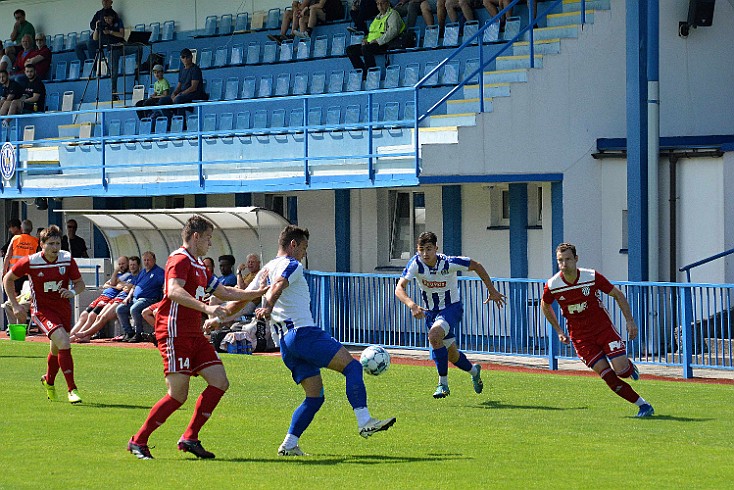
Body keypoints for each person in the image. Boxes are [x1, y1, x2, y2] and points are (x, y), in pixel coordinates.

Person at [127, 214, 269, 460]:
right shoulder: (179, 259)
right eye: (208, 238)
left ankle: (190, 438)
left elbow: (224, 291)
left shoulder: (200, 265)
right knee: (177, 395)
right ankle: (138, 441)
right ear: (196, 237)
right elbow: (173, 291)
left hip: (194, 333)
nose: (210, 244)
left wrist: (256, 292)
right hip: (174, 332)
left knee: (219, 381)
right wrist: (207, 309)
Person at [244, 225, 395, 456]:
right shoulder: (292, 265)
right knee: (352, 367)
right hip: (304, 334)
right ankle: (364, 420)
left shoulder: (266, 269)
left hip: (285, 344)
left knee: (314, 397)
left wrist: (218, 316)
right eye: (303, 247)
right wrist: (269, 306)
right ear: (293, 245)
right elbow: (278, 286)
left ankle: (289, 444)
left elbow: (243, 297)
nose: (304, 253)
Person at [540, 243, 654, 418]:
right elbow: (545, 305)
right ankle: (643, 405)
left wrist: (630, 321)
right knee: (608, 376)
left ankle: (629, 368)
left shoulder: (591, 276)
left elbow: (617, 294)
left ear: (576, 259)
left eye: (568, 259)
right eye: (560, 261)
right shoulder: (553, 284)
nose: (564, 264)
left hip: (603, 330)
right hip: (580, 338)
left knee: (622, 371)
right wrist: (558, 330)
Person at [395, 231, 506, 398]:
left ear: (436, 249)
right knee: (452, 355)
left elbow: (476, 265)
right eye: (421, 249)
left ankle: (443, 385)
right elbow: (399, 288)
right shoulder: (416, 264)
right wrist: (412, 305)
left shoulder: (448, 263)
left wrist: (492, 290)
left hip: (451, 309)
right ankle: (474, 371)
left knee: (434, 335)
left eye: (429, 249)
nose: (425, 253)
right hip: (431, 313)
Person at [3, 225, 86, 404]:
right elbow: (7, 279)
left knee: (56, 349)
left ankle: (48, 381)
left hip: (63, 310)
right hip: (42, 311)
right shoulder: (31, 261)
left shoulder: (66, 259)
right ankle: (72, 389)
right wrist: (16, 305)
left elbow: (80, 284)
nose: (55, 247)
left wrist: (72, 292)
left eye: (58, 243)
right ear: (41, 245)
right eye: (51, 244)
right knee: (64, 341)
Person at [78, 255, 140, 341]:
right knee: (99, 316)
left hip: (122, 300)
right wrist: (117, 275)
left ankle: (85, 334)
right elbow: (111, 283)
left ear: (138, 266)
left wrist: (125, 288)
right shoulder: (126, 276)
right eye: (131, 265)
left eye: (134, 265)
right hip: (116, 298)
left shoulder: (138, 276)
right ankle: (86, 336)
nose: (132, 267)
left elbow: (129, 288)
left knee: (102, 317)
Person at [346, 0, 406, 76]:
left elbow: (392, 32)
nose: (380, 6)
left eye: (382, 3)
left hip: (386, 43)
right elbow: (372, 33)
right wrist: (366, 40)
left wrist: (378, 41)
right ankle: (363, 73)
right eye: (378, 4)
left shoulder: (393, 14)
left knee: (366, 49)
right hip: (373, 43)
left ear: (387, 3)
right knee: (350, 50)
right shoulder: (378, 17)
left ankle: (371, 73)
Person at [117, 251, 164, 343]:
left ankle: (139, 333)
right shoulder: (142, 272)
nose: (146, 262)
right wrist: (128, 297)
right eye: (145, 260)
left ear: (154, 260)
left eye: (148, 260)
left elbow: (164, 285)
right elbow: (134, 286)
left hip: (149, 299)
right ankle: (129, 333)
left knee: (134, 309)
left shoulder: (159, 272)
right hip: (135, 298)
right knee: (120, 309)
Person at [158, 48, 206, 118]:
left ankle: (181, 123)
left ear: (191, 57)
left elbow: (193, 88)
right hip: (183, 94)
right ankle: (169, 121)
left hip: (194, 94)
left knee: (179, 99)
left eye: (187, 57)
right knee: (162, 101)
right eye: (183, 57)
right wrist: (174, 94)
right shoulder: (182, 70)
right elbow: (179, 86)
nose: (185, 59)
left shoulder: (195, 70)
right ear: (181, 58)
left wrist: (179, 94)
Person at [3, 219, 39, 292]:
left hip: (15, 271)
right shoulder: (36, 241)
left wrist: (4, 271)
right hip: (29, 272)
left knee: (14, 294)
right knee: (27, 295)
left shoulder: (15, 238)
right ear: (31, 229)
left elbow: (7, 256)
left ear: (21, 228)